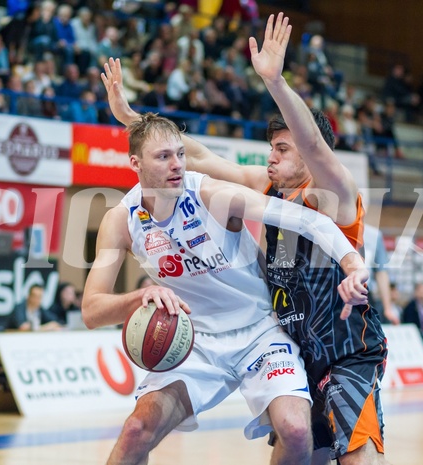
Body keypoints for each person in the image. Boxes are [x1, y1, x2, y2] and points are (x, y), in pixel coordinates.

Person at [100, 12, 388, 465]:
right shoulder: (264, 185)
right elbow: (194, 154)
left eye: (282, 149)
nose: (270, 157)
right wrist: (131, 119)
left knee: (356, 459)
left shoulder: (334, 194)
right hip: (298, 346)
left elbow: (313, 145)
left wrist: (275, 81)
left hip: (344, 350)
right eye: (271, 148)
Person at [82, 112, 370, 465]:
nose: (177, 165)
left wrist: (352, 264)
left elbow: (309, 219)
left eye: (180, 154)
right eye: (163, 157)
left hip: (261, 332)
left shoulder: (211, 193)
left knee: (296, 431)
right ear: (135, 163)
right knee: (136, 431)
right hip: (194, 338)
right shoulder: (121, 220)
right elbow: (91, 311)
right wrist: (140, 297)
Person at [364, 223, 397, 324]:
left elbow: (381, 273)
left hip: (364, 295)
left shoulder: (374, 235)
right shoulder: (331, 228)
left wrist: (388, 309)